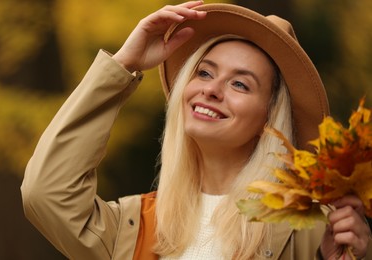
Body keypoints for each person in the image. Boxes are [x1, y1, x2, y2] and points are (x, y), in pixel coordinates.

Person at [21, 1, 371, 259]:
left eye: (240, 84)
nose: (212, 89)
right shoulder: (134, 226)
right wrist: (122, 64)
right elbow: (45, 192)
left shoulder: (313, 230)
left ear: (270, 119)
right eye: (204, 72)